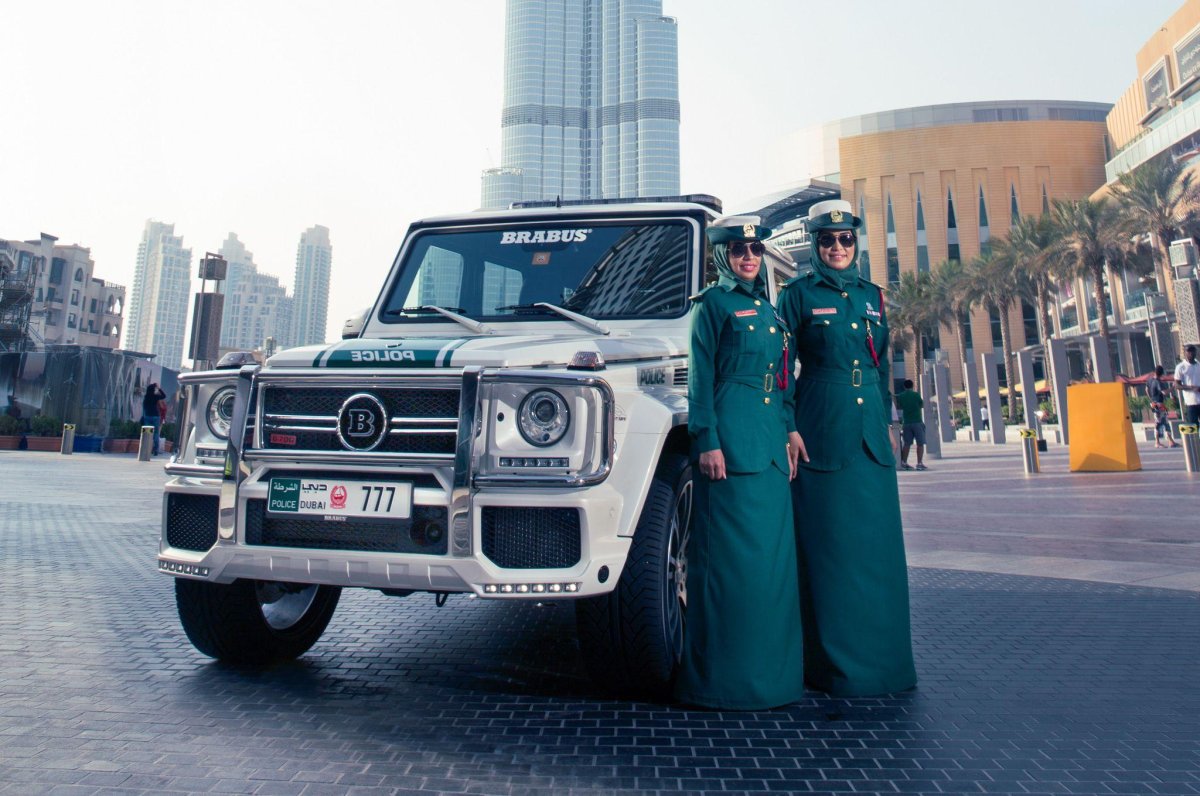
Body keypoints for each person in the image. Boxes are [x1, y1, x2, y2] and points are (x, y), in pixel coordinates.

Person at [777, 199, 917, 697]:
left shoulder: (874, 296)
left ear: (855, 243)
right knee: (829, 549)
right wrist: (788, 425)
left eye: (845, 240)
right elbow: (779, 370)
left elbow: (879, 370)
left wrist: (886, 424)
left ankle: (886, 664)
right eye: (827, 240)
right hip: (820, 424)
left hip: (870, 437)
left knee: (876, 552)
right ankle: (831, 668)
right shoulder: (796, 296)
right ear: (815, 246)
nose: (837, 247)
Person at [675, 215, 808, 710]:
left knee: (770, 566)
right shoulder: (711, 306)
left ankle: (773, 679)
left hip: (771, 447)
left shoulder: (769, 311)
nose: (748, 258)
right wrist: (706, 439)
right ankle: (723, 682)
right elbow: (700, 379)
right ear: (722, 257)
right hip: (730, 446)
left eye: (753, 250)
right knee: (732, 564)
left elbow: (781, 380)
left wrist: (791, 429)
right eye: (738, 251)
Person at [894, 379, 927, 470]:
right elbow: (921, 405)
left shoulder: (901, 396)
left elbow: (900, 406)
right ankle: (919, 463)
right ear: (912, 386)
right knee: (920, 443)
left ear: (904, 386)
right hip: (917, 421)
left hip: (906, 422)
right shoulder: (916, 395)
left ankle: (904, 462)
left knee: (907, 444)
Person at [1147, 365, 1178, 448]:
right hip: (1159, 404)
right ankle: (1159, 442)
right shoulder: (1158, 382)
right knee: (1162, 422)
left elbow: (1146, 389)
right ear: (1162, 373)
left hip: (1154, 404)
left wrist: (1151, 399)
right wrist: (1173, 387)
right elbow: (1164, 392)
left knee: (1161, 422)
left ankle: (1170, 440)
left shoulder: (1150, 380)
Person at [1174, 345, 1200, 425]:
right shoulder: (1180, 367)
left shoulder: (1198, 365)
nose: (1191, 353)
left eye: (1193, 351)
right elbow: (1177, 385)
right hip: (1191, 402)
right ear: (1185, 353)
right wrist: (1192, 387)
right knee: (1194, 426)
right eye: (1188, 351)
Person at [141, 382, 167, 455]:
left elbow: (144, 408)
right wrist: (159, 389)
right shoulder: (155, 396)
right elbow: (164, 396)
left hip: (148, 416)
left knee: (147, 433)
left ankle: (146, 448)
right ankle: (155, 450)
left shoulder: (146, 397)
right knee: (156, 433)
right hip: (156, 416)